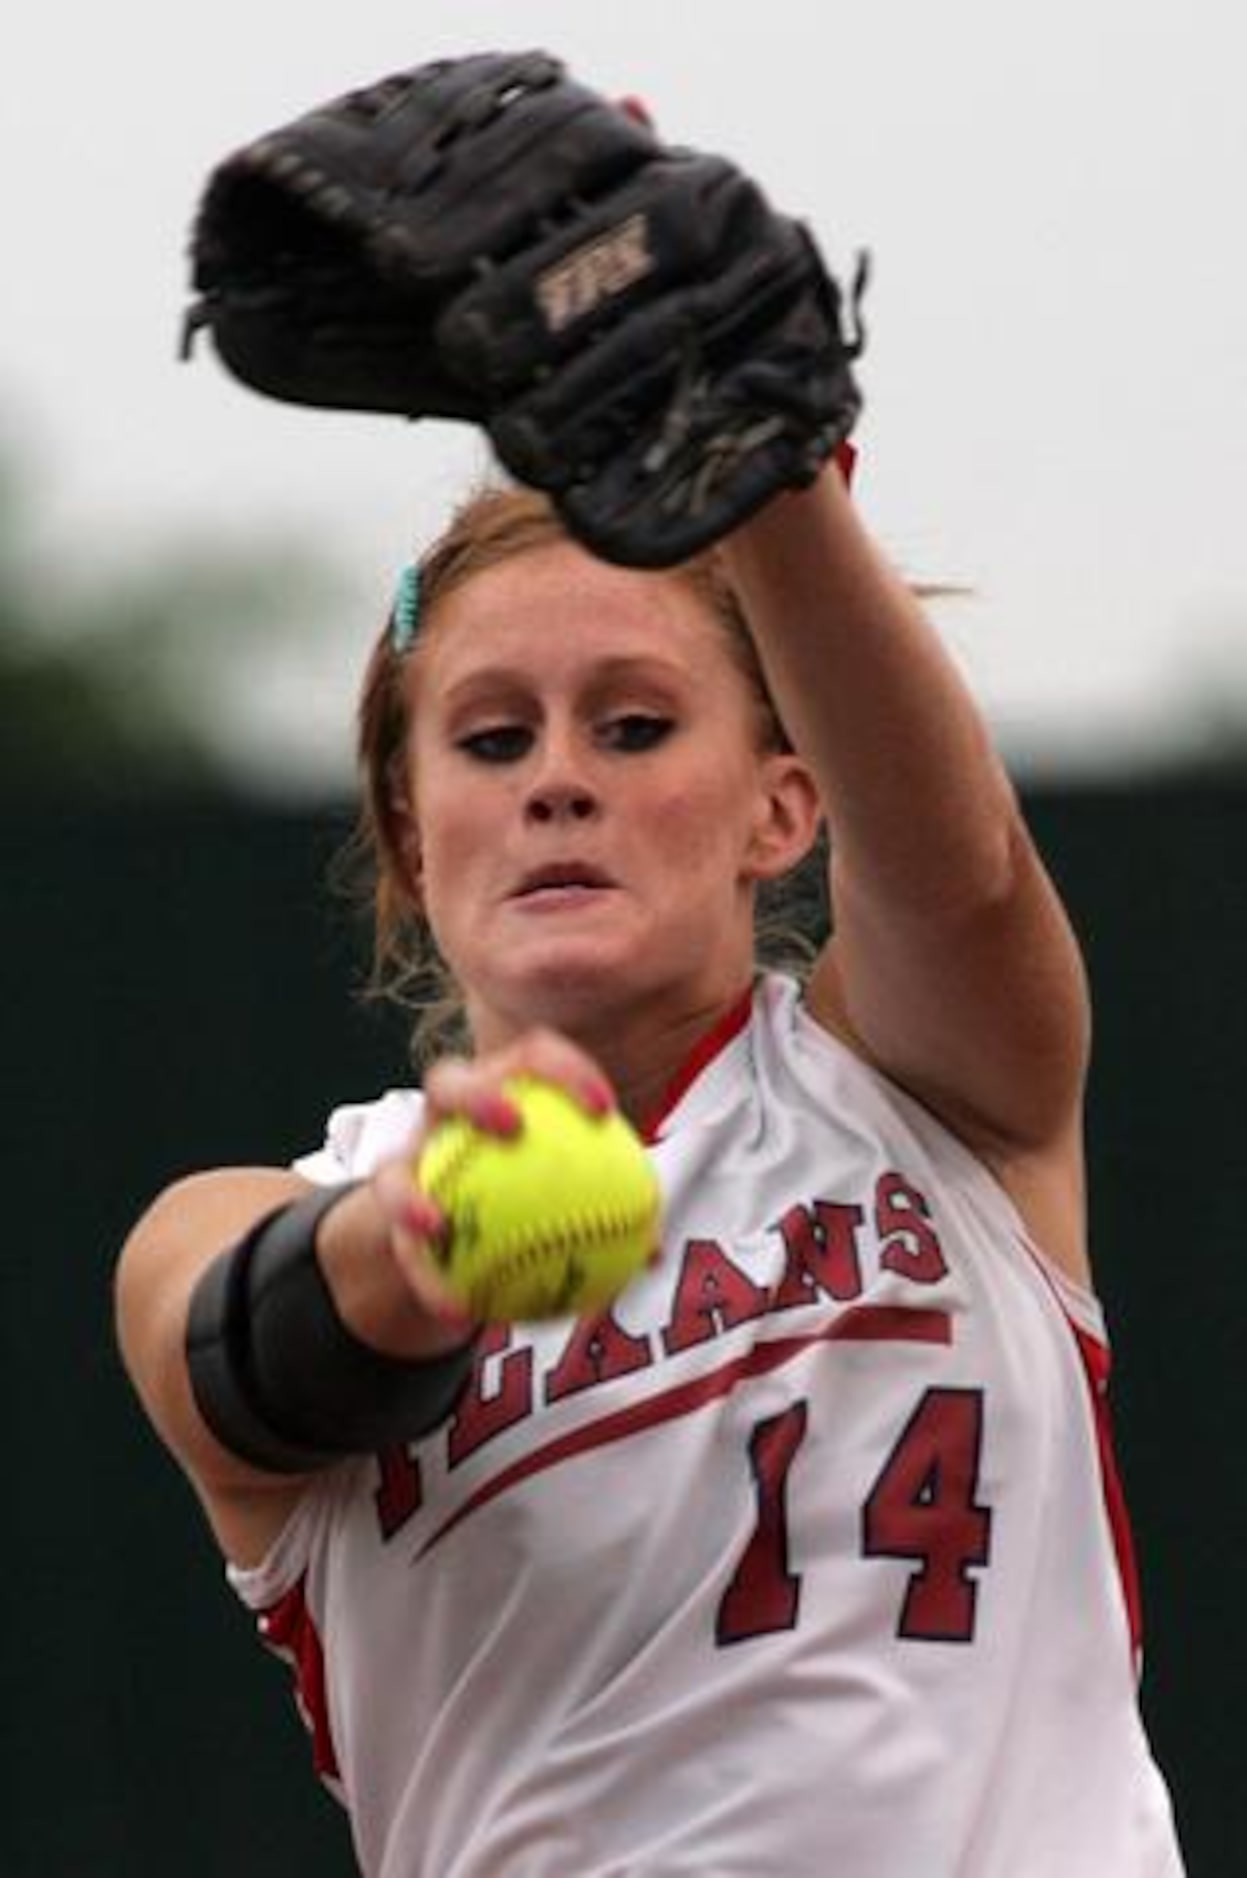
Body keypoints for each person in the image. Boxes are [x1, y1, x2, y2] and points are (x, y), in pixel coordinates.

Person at [115, 455, 1185, 1874]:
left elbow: (961, 870)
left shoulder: (928, 1098)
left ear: (783, 806)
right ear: (410, 838)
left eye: (633, 724)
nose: (558, 776)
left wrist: (774, 484)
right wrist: (403, 1248)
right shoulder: (287, 1209)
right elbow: (233, 1351)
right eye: (493, 740)